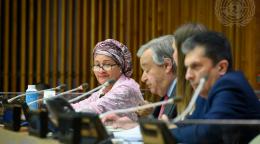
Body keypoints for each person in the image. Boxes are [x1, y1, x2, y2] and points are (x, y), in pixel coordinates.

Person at [171, 31, 260, 143]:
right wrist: (169, 125)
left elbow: (208, 132)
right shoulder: (207, 88)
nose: (188, 76)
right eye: (187, 68)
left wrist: (167, 133)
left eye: (196, 66)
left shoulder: (230, 86)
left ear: (221, 67)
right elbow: (193, 122)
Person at [102, 35, 177, 128]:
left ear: (166, 65)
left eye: (147, 70)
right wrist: (131, 125)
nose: (143, 78)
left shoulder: (185, 95)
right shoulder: (168, 96)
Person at [71, 39, 144, 121]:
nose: (101, 70)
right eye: (97, 65)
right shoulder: (106, 88)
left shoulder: (126, 87)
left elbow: (96, 109)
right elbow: (83, 105)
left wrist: (64, 113)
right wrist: (62, 107)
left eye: (107, 64)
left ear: (120, 66)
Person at [172, 23, 207, 114]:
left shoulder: (204, 89)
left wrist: (171, 127)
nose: (173, 55)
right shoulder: (185, 85)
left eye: (174, 50)